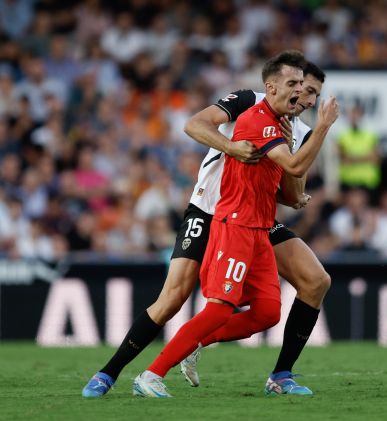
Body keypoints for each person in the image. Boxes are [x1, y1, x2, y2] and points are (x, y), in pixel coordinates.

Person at [82, 53, 337, 397]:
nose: (305, 99)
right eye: (302, 88)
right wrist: (232, 147)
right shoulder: (250, 102)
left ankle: (281, 374)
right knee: (173, 299)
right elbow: (194, 125)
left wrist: (297, 185)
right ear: (279, 84)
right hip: (209, 209)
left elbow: (291, 191)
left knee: (314, 282)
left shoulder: (300, 132)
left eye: (313, 94)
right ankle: (108, 373)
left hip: (255, 217)